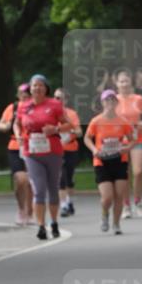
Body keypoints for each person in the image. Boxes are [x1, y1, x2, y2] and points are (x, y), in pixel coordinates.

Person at [16, 74, 72, 240]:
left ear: (46, 88)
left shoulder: (55, 105)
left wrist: (55, 129)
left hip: (52, 152)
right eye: (34, 86)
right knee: (39, 190)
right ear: (30, 89)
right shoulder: (23, 106)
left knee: (53, 190)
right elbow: (17, 124)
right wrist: (18, 134)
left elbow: (69, 125)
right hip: (32, 152)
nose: (37, 88)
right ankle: (41, 226)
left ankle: (54, 222)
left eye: (40, 85)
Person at [84, 88, 135, 235]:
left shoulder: (123, 121)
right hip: (102, 161)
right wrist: (94, 149)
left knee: (119, 194)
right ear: (102, 102)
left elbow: (132, 140)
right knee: (107, 198)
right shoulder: (96, 121)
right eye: (107, 99)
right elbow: (87, 138)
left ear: (117, 102)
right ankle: (105, 214)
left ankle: (116, 224)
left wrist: (127, 148)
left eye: (113, 99)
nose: (110, 102)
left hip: (119, 160)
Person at [114, 69, 142, 218]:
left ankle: (138, 203)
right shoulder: (113, 100)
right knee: (124, 174)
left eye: (126, 81)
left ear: (130, 83)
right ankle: (125, 206)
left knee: (138, 172)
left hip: (137, 139)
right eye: (121, 81)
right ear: (117, 84)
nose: (123, 84)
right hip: (120, 141)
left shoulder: (138, 99)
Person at [0, 83, 33, 225]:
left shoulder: (36, 108)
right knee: (21, 179)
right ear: (18, 96)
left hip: (33, 147)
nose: (24, 98)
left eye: (27, 96)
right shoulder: (13, 108)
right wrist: (5, 126)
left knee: (31, 181)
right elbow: (1, 124)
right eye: (22, 95)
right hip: (15, 146)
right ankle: (21, 209)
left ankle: (30, 212)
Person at [54, 87, 82, 217]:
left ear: (66, 100)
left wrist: (69, 131)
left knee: (69, 178)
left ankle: (69, 202)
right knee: (60, 177)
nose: (57, 100)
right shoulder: (51, 113)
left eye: (60, 98)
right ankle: (63, 205)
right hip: (57, 150)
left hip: (71, 148)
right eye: (56, 97)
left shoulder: (72, 114)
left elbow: (79, 132)